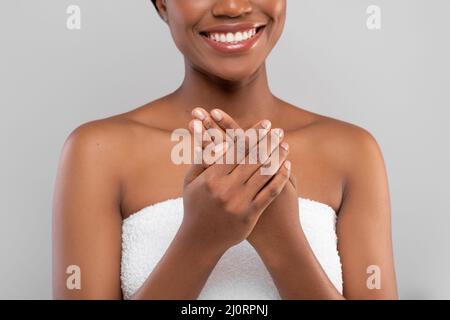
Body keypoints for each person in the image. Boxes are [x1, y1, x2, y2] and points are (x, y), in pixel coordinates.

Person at [52, 0, 398, 299]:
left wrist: (282, 239)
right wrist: (200, 239)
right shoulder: (97, 152)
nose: (232, 7)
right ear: (160, 3)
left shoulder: (352, 152)